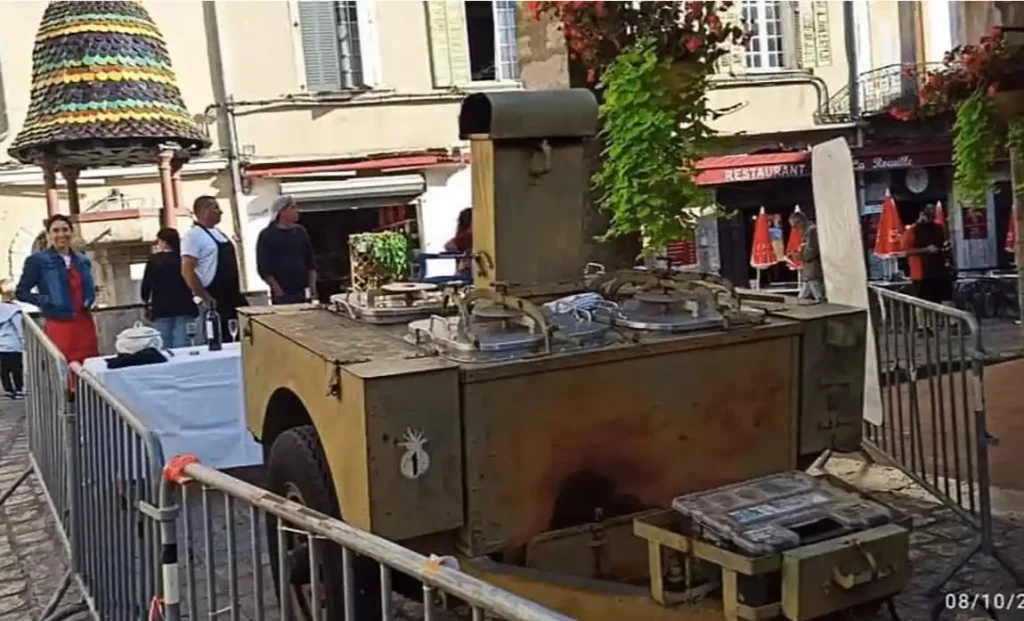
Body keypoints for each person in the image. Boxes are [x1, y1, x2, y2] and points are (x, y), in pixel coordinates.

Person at [16, 215, 100, 372]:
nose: (61, 234)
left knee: (89, 366)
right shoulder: (37, 261)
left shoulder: (82, 260)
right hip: (59, 321)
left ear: (72, 232)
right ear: (49, 235)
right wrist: (46, 301)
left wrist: (91, 300)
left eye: (65, 230)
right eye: (55, 230)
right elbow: (21, 292)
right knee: (63, 366)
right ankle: (68, 396)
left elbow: (88, 288)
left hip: (84, 321)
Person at [181, 196, 248, 339]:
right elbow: (187, 271)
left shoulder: (219, 233)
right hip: (214, 297)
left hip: (233, 295)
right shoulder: (193, 236)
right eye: (215, 207)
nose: (221, 212)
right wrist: (205, 297)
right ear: (204, 210)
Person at [141, 228, 198, 349]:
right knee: (183, 345)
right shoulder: (184, 259)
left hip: (161, 307)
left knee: (163, 344)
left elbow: (146, 285)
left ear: (164, 242)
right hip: (184, 305)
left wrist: (146, 302)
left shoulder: (154, 260)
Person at [256, 195, 317, 304]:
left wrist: (312, 286)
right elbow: (264, 267)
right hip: (282, 294)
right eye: (293, 208)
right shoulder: (268, 235)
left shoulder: (300, 232)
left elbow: (310, 261)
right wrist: (277, 290)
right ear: (282, 211)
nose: (297, 211)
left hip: (302, 291)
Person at [902, 204, 951, 304]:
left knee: (944, 299)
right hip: (921, 273)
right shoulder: (912, 230)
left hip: (939, 270)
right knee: (923, 301)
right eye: (928, 216)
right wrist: (926, 250)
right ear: (921, 214)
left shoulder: (938, 227)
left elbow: (945, 243)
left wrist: (945, 249)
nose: (930, 219)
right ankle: (924, 320)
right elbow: (906, 251)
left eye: (932, 217)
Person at [787, 211, 826, 303]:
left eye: (795, 226)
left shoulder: (811, 231)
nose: (795, 229)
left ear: (800, 222)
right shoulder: (807, 232)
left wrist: (798, 255)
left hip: (813, 271)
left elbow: (812, 251)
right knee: (803, 298)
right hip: (809, 273)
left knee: (819, 297)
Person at [0, 281, 24, 399]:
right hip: (14, 344)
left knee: (4, 369)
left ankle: (8, 389)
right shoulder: (14, 310)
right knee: (16, 368)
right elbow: (19, 328)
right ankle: (19, 389)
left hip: (1, 345)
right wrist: (24, 342)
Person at [444, 208, 472, 279]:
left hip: (463, 269)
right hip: (468, 270)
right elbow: (449, 245)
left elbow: (448, 245)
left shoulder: (462, 234)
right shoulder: (468, 235)